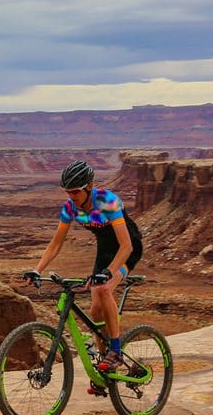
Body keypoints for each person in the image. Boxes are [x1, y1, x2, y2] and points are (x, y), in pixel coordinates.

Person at [23, 160, 143, 379]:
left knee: (104, 289)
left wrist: (109, 272)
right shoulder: (70, 207)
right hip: (105, 251)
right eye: (68, 192)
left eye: (76, 191)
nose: (72, 196)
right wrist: (37, 269)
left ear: (89, 186)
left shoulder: (107, 201)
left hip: (127, 249)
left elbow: (126, 246)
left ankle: (116, 352)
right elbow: (56, 243)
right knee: (96, 311)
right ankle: (103, 360)